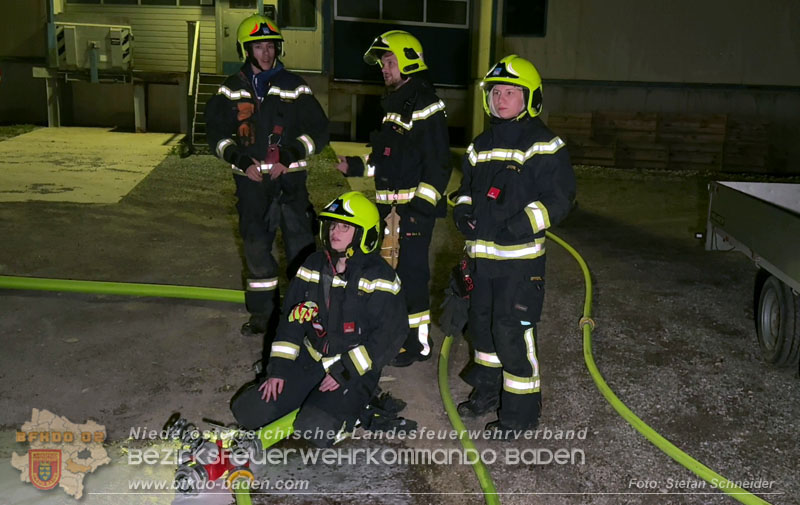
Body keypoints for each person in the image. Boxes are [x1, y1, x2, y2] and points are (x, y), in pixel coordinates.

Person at [452, 55, 576, 436]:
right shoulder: (480, 145)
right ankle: (488, 392)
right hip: (482, 262)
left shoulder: (544, 144)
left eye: (510, 92)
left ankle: (521, 414)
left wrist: (522, 225)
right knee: (483, 331)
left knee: (512, 333)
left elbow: (561, 198)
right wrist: (462, 212)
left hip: (520, 265)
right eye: (496, 92)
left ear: (531, 98)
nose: (501, 99)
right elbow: (466, 191)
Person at [230, 191, 408, 447]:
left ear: (364, 234)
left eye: (345, 227)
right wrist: (277, 370)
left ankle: (358, 410)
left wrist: (344, 372)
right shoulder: (311, 266)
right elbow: (290, 323)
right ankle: (310, 401)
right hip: (309, 360)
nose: (335, 231)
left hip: (353, 370)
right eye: (333, 224)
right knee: (247, 411)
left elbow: (388, 338)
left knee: (315, 429)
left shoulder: (381, 278)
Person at [206, 14, 329, 337]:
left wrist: (290, 156)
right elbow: (216, 136)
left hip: (290, 185)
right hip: (250, 187)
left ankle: (304, 313)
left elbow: (320, 132)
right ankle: (262, 315)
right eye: (258, 47)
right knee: (257, 250)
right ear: (246, 50)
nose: (266, 53)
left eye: (270, 46)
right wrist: (238, 159)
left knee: (302, 251)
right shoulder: (230, 90)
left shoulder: (295, 86)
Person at [336, 30, 451, 367]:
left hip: (412, 210)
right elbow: (386, 160)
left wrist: (420, 209)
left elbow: (439, 164)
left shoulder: (425, 103)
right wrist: (356, 166)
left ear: (409, 61)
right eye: (383, 63)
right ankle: (394, 334)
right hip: (389, 209)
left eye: (389, 61)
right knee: (389, 273)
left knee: (413, 275)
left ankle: (419, 343)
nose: (384, 69)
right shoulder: (394, 106)